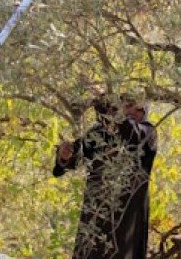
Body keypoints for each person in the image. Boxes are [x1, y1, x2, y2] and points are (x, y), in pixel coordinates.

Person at [53, 95, 157, 259]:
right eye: (127, 105)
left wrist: (106, 107)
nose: (131, 111)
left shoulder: (147, 132)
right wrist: (64, 156)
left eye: (137, 108)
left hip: (126, 224)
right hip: (95, 219)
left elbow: (131, 134)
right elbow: (68, 162)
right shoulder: (98, 134)